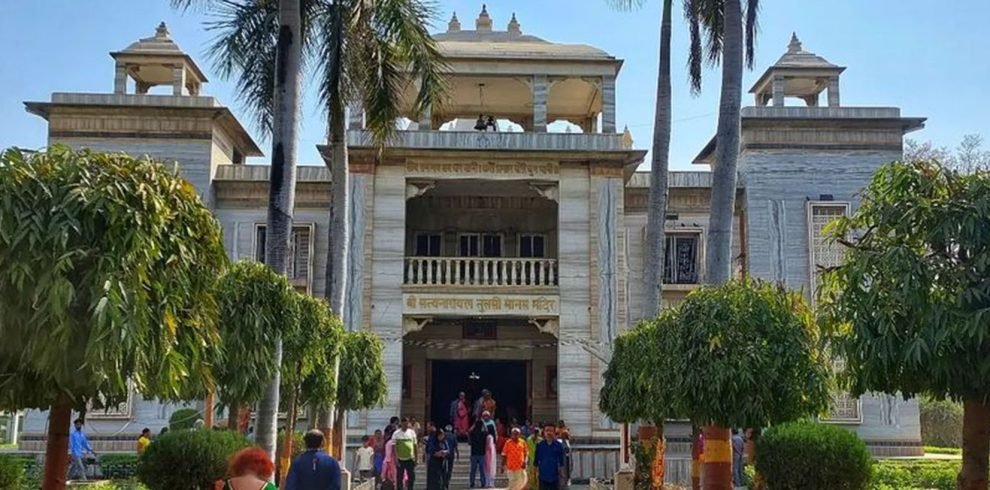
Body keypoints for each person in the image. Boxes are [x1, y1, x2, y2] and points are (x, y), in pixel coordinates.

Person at [534, 425, 565, 490]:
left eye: (551, 431)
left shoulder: (558, 445)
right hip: (542, 477)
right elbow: (536, 461)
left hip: (555, 477)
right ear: (544, 432)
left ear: (554, 432)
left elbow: (561, 462)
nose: (549, 433)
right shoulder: (539, 445)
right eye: (547, 430)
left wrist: (562, 476)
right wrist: (534, 476)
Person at [393, 417, 418, 490]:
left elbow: (415, 445)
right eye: (404, 424)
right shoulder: (396, 433)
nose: (405, 425)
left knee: (412, 477)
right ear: (401, 424)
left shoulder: (412, 432)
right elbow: (394, 447)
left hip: (410, 459)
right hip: (400, 459)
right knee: (399, 477)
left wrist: (416, 458)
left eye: (407, 423)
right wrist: (396, 458)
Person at [468, 420, 488, 488]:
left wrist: (474, 424)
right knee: (482, 470)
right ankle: (483, 483)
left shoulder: (473, 433)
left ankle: (472, 482)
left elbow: (469, 431)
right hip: (482, 454)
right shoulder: (483, 433)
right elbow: (487, 431)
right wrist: (484, 424)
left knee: (473, 470)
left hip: (474, 453)